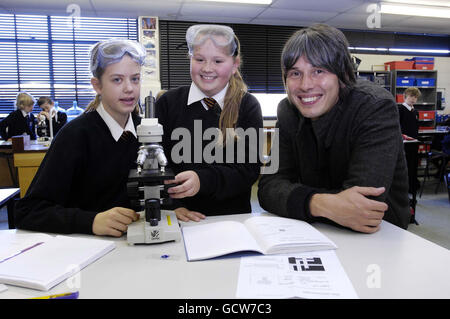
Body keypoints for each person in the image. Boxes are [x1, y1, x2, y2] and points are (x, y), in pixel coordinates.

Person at [257, 24, 410, 233]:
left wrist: (296, 199)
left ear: (343, 75)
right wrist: (320, 204)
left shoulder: (374, 107)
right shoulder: (288, 110)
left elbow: (363, 207)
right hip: (316, 232)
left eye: (318, 71)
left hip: (379, 237)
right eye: (295, 73)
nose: (305, 85)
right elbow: (268, 188)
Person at [14, 38, 146, 237]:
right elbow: (28, 211)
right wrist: (90, 221)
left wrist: (172, 206)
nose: (129, 88)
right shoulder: (75, 136)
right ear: (97, 85)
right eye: (117, 79)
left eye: (135, 79)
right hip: (90, 251)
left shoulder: (146, 131)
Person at [155, 24, 263, 222]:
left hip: (232, 220)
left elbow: (248, 169)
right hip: (180, 219)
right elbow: (154, 163)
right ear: (190, 59)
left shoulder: (247, 105)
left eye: (218, 60)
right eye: (199, 59)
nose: (207, 68)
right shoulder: (167, 104)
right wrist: (171, 206)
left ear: (234, 65)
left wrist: (202, 180)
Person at [398, 87, 421, 198]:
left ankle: (412, 188)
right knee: (404, 167)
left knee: (413, 166)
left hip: (414, 144)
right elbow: (397, 127)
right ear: (405, 96)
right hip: (403, 144)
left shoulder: (415, 112)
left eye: (415, 97)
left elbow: (416, 128)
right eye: (411, 96)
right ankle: (402, 190)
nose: (413, 99)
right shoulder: (400, 109)